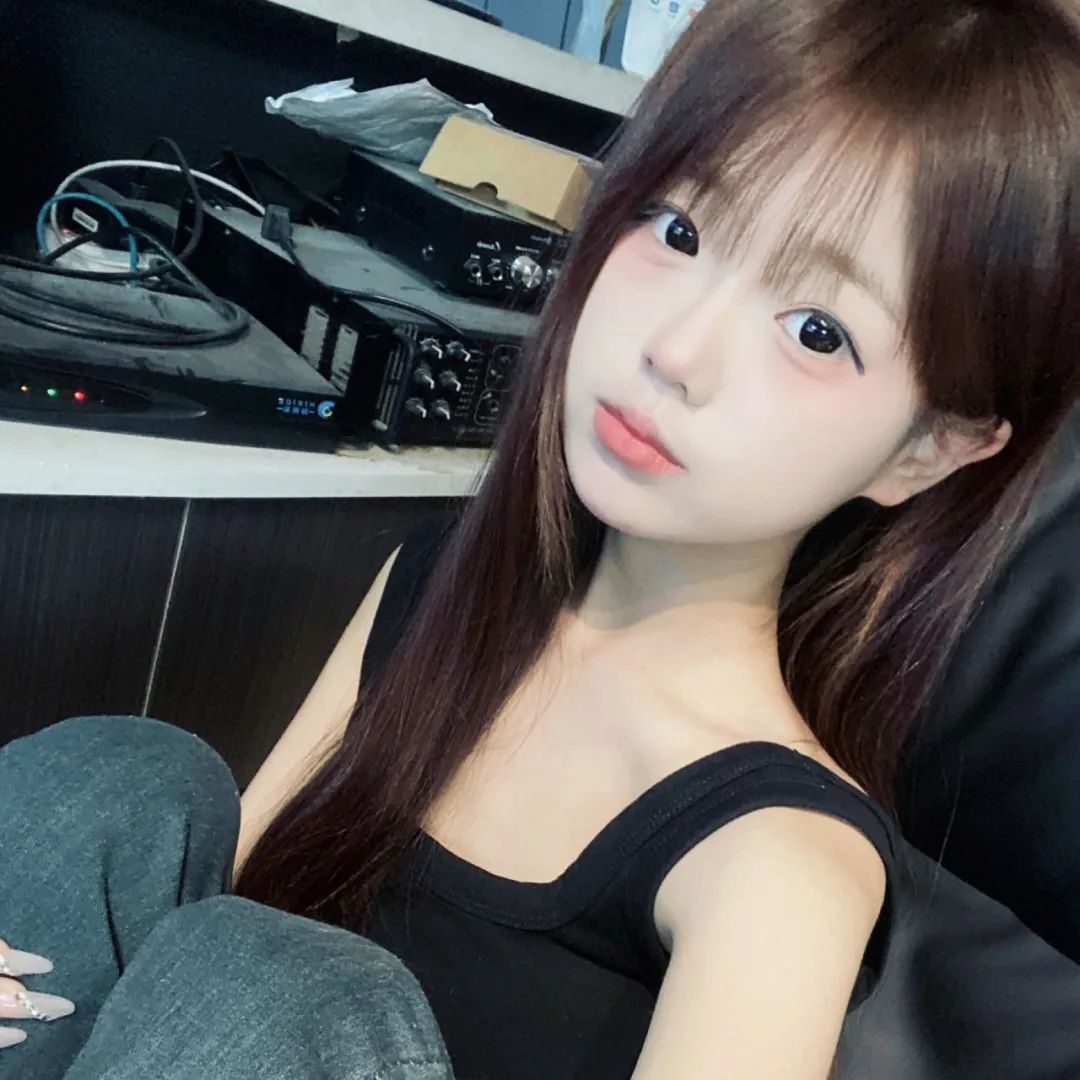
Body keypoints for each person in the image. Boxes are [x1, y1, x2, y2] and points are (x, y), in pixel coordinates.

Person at [4, 0, 1080, 1076]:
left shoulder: (779, 865)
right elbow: (196, 956)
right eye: (679, 231)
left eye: (816, 331)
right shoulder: (432, 584)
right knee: (126, 783)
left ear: (927, 451)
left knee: (279, 979)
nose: (677, 352)